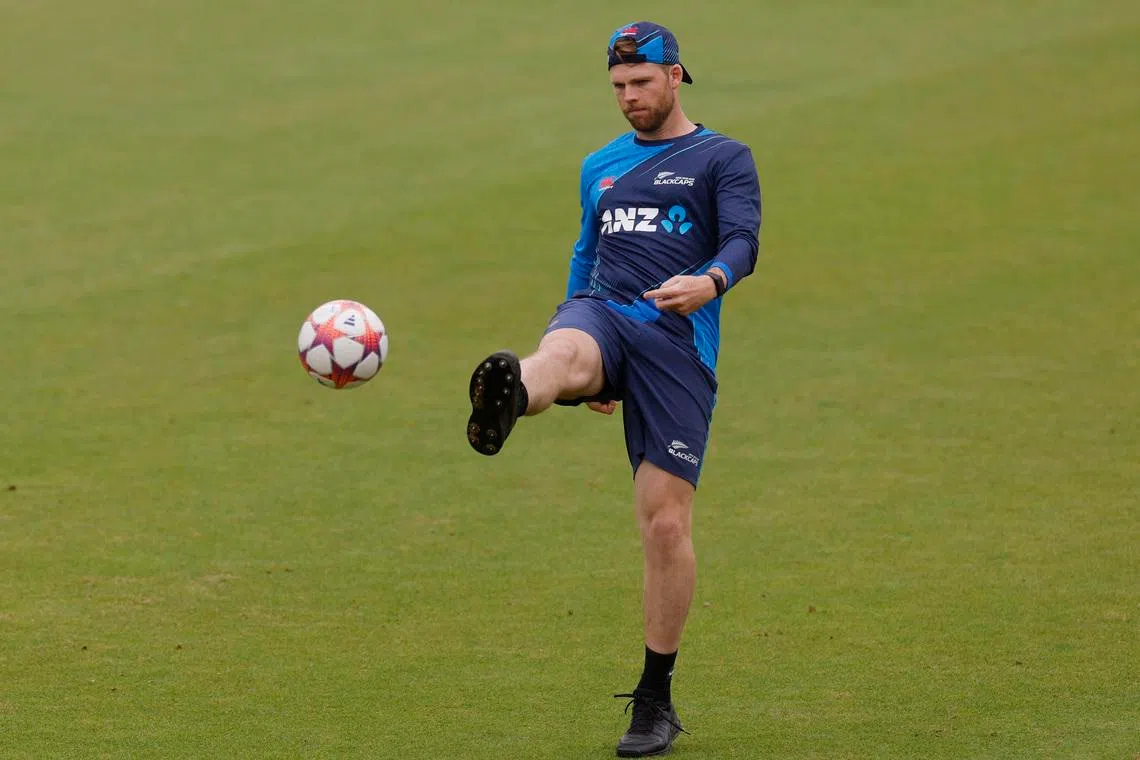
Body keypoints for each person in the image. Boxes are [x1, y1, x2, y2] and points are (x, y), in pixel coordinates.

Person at [466, 20, 761, 758]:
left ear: (676, 76)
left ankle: (655, 699)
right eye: (619, 87)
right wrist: (572, 327)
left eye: (641, 83)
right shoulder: (600, 164)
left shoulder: (720, 157)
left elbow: (743, 240)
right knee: (559, 353)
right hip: (602, 317)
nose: (629, 97)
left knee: (664, 525)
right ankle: (510, 394)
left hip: (674, 342)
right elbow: (584, 254)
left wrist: (709, 281)